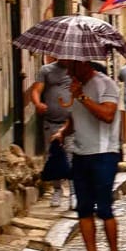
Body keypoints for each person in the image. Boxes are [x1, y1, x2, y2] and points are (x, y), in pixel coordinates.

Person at [61, 60, 125, 251]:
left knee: (105, 208)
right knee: (84, 209)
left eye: (72, 66)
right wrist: (63, 132)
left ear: (84, 64)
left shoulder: (105, 84)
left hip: (104, 153)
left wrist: (81, 96)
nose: (68, 71)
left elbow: (107, 115)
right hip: (81, 153)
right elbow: (74, 119)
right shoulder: (74, 86)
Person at [30, 54, 76, 214]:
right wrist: (38, 103)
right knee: (54, 156)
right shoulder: (46, 70)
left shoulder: (75, 70)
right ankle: (57, 190)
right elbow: (36, 90)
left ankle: (73, 193)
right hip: (51, 122)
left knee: (71, 157)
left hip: (71, 123)